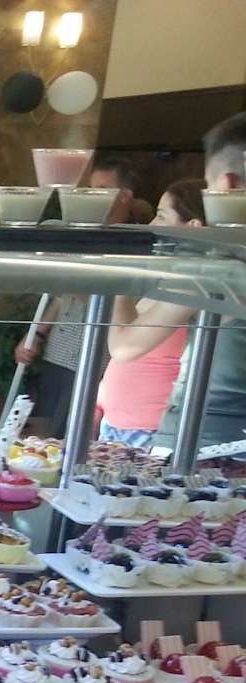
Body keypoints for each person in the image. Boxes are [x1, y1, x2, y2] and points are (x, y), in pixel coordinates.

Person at [12, 157, 143, 437]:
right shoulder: (83, 234)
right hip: (60, 352)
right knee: (49, 432)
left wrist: (69, 278)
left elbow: (120, 301)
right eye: (91, 189)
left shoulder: (133, 242)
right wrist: (36, 334)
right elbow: (60, 296)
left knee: (74, 434)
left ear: (125, 196)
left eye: (102, 189)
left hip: (95, 357)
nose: (93, 196)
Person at [155, 112, 246, 457]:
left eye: (208, 187)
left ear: (228, 184)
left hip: (208, 439)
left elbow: (126, 346)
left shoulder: (218, 264)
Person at [96, 180, 208, 446]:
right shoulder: (172, 279)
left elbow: (124, 348)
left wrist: (120, 285)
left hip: (150, 429)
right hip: (121, 423)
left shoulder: (194, 284)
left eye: (161, 216)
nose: (152, 224)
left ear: (193, 226)